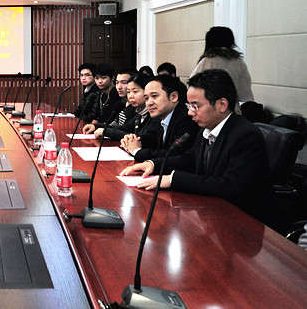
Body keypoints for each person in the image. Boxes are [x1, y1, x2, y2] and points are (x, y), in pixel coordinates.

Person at [120, 69, 285, 232]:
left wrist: (173, 179)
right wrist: (153, 165)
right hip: (214, 214)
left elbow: (230, 186)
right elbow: (190, 160)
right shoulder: (206, 128)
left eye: (195, 106)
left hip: (249, 224)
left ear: (222, 105)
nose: (190, 112)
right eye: (189, 106)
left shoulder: (245, 135)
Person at [120, 74, 199, 162]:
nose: (149, 103)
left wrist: (137, 151)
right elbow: (150, 137)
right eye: (146, 98)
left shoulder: (187, 118)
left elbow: (172, 153)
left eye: (154, 96)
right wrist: (132, 141)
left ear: (173, 97)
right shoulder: (159, 116)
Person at [190, 26, 254, 107]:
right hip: (231, 109)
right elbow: (245, 94)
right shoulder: (239, 62)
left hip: (209, 109)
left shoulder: (207, 61)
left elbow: (192, 86)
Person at [88, 73, 153, 140]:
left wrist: (106, 131)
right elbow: (123, 128)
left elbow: (138, 138)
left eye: (135, 91)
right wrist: (96, 126)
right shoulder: (139, 113)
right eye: (128, 92)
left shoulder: (153, 115)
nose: (130, 96)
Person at [82, 67, 136, 133]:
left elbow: (126, 130)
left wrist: (105, 131)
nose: (119, 87)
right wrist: (96, 126)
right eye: (117, 83)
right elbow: (116, 124)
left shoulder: (135, 107)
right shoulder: (123, 102)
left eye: (124, 83)